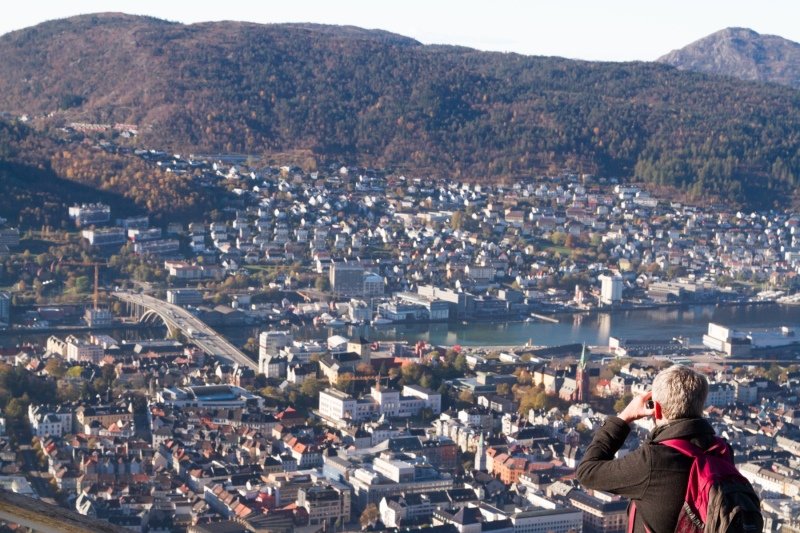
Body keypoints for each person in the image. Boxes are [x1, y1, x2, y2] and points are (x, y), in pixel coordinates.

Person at [576, 365, 714, 533]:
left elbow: (587, 472)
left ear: (656, 409)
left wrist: (624, 417)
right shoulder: (719, 451)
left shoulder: (654, 460)